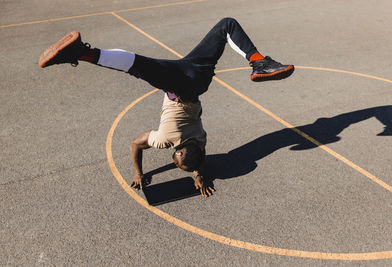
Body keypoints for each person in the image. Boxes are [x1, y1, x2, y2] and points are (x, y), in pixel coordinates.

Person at [39, 17, 294, 197]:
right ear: (181, 150)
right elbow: (136, 143)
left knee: (227, 25)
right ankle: (82, 54)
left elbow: (198, 159)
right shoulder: (164, 140)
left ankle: (259, 61)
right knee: (140, 66)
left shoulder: (201, 141)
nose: (174, 162)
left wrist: (197, 174)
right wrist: (139, 172)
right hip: (183, 85)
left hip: (197, 76)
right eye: (178, 161)